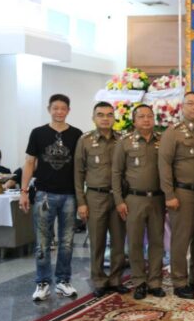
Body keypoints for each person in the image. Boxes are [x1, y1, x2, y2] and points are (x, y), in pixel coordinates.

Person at [19, 94, 83, 301]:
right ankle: (42, 282)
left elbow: (81, 166)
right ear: (49, 109)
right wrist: (23, 191)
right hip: (44, 194)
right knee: (42, 242)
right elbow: (29, 162)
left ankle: (63, 280)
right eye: (55, 108)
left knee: (67, 241)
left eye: (63, 108)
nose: (59, 112)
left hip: (69, 195)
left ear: (68, 111)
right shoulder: (38, 133)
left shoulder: (77, 134)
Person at [159, 91, 194, 299]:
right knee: (181, 240)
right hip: (183, 193)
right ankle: (179, 281)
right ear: (183, 107)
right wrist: (169, 194)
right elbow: (164, 165)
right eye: (190, 103)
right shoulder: (173, 132)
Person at [74, 101, 128, 298]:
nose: (105, 118)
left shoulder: (122, 139)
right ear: (93, 118)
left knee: (118, 241)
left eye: (109, 114)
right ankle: (98, 280)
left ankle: (115, 279)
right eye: (101, 114)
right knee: (97, 241)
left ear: (114, 118)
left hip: (119, 197)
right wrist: (81, 202)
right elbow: (78, 173)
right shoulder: (85, 140)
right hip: (95, 196)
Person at [112, 105, 166, 300]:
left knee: (157, 242)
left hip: (158, 199)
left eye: (149, 116)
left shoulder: (162, 140)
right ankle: (139, 282)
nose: (146, 120)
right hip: (134, 199)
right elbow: (116, 173)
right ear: (134, 121)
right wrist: (119, 200)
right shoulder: (125, 142)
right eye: (141, 116)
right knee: (135, 242)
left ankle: (155, 282)